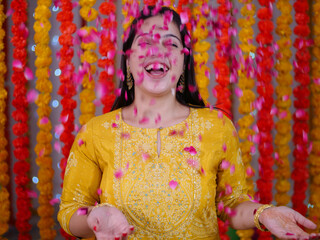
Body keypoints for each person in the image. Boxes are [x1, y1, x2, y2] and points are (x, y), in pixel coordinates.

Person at [58, 5, 320, 240]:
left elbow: (231, 204)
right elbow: (70, 211)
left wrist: (263, 214)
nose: (158, 50)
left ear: (184, 63)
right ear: (128, 59)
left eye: (171, 44)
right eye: (146, 41)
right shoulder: (95, 132)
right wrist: (94, 218)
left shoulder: (216, 126)